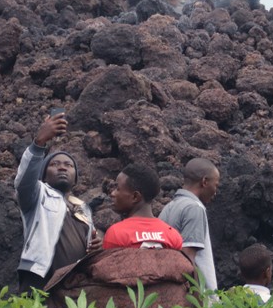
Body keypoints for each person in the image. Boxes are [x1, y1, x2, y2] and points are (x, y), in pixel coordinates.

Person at [15, 113, 100, 293]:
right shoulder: (37, 195)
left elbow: (88, 245)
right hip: (39, 279)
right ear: (44, 175)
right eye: (55, 164)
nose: (62, 167)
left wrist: (94, 247)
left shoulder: (83, 208)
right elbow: (23, 182)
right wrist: (39, 143)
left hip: (74, 283)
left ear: (76, 177)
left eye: (69, 165)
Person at [158, 158, 221, 293]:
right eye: (216, 185)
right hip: (195, 298)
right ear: (204, 182)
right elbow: (187, 261)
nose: (215, 191)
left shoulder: (168, 207)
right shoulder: (195, 208)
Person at [103, 165, 183, 250]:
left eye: (118, 189)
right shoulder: (173, 236)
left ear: (135, 197)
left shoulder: (116, 234)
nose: (112, 193)